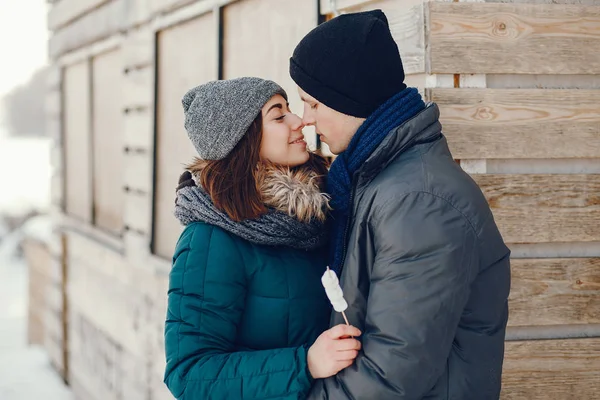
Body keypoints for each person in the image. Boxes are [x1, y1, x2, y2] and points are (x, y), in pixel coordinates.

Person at [289, 10, 511, 399]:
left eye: (312, 104)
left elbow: (391, 374)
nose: (306, 119)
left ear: (347, 99)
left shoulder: (420, 202)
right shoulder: (376, 181)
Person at [163, 77, 361, 400]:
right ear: (244, 140)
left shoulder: (315, 216)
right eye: (279, 115)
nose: (299, 121)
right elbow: (189, 374)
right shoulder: (210, 240)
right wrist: (304, 364)